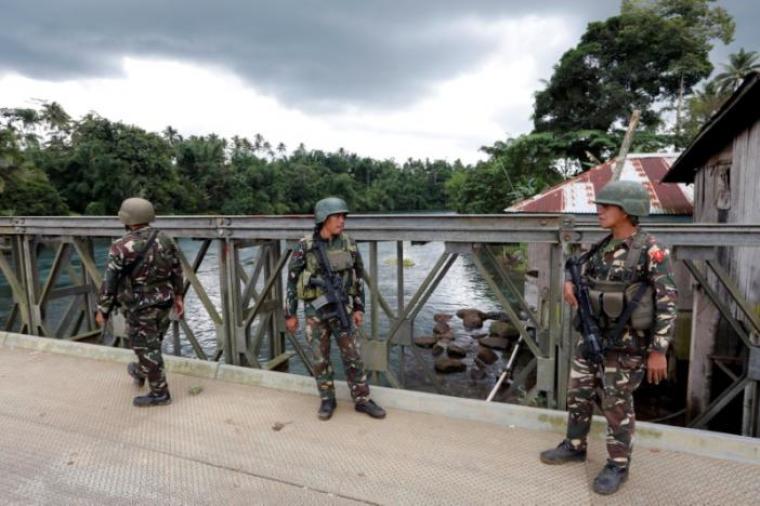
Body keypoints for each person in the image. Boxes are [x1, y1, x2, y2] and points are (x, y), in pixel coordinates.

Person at [539, 180, 678, 495]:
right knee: (578, 393)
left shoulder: (651, 251)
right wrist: (569, 283)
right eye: (599, 205)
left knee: (616, 403)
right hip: (590, 338)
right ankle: (575, 445)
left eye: (606, 206)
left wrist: (659, 351)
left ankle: (618, 464)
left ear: (627, 211)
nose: (598, 211)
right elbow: (577, 270)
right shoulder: (601, 247)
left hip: (627, 345)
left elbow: (668, 301)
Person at [284, 197, 386, 421]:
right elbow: (292, 281)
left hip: (343, 309)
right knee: (320, 358)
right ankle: (327, 399)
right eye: (337, 216)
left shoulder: (349, 243)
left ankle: (362, 399)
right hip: (315, 312)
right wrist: (290, 314)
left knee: (353, 355)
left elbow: (358, 277)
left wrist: (359, 308)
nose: (342, 221)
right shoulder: (305, 245)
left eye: (343, 216)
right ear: (323, 219)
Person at [96, 197, 184, 407]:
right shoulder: (165, 239)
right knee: (151, 344)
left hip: (139, 305)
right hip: (164, 300)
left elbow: (110, 282)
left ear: (126, 219)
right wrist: (179, 296)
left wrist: (102, 310)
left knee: (146, 347)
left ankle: (160, 393)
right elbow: (176, 270)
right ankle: (140, 369)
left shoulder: (120, 247)